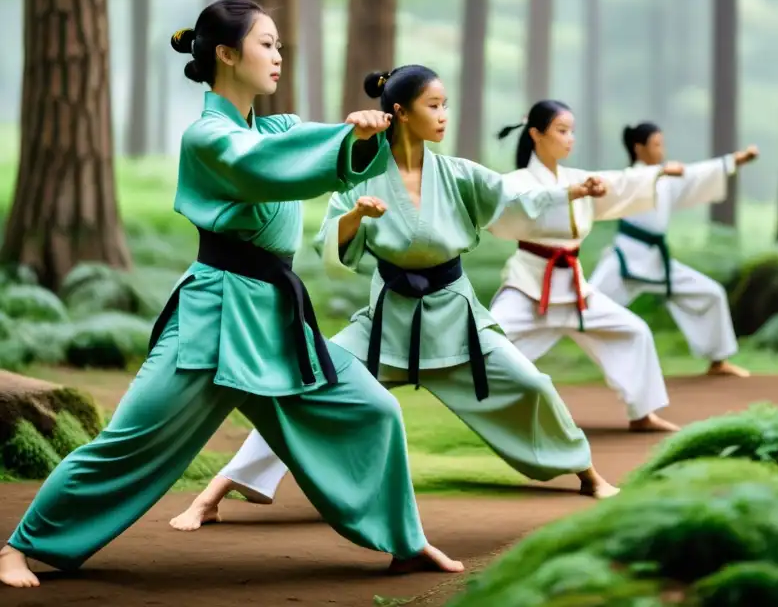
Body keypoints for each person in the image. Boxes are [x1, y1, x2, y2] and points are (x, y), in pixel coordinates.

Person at [0, 0, 461, 589]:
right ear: (225, 54)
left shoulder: (274, 127)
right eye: (266, 44)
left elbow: (301, 143)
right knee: (131, 442)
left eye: (278, 45)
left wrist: (360, 136)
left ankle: (406, 541)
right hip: (214, 317)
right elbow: (265, 166)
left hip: (274, 318)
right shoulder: (208, 137)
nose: (277, 55)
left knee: (372, 409)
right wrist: (346, 139)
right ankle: (20, 545)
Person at [168, 65, 619, 531]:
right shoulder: (362, 175)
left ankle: (587, 473)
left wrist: (572, 190)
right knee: (304, 385)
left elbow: (515, 198)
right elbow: (332, 244)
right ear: (400, 113)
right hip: (385, 319)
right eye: (434, 105)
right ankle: (214, 492)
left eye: (445, 105)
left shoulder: (459, 173)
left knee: (532, 384)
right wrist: (356, 216)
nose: (444, 115)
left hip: (454, 316)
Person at [488, 101, 687, 433]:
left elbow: (620, 183)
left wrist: (657, 173)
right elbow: (516, 203)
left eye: (572, 132)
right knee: (488, 342)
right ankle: (490, 415)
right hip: (530, 284)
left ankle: (642, 413)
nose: (570, 139)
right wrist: (571, 192)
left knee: (634, 332)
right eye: (562, 131)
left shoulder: (577, 178)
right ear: (536, 134)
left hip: (574, 286)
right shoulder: (518, 182)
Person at [588, 122, 759, 378]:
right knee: (582, 305)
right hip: (625, 259)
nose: (661, 149)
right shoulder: (629, 178)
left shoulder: (666, 180)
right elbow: (626, 183)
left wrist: (740, 159)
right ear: (639, 148)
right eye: (656, 144)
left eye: (661, 144)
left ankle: (717, 360)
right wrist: (661, 172)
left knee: (711, 294)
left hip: (657, 261)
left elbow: (700, 173)